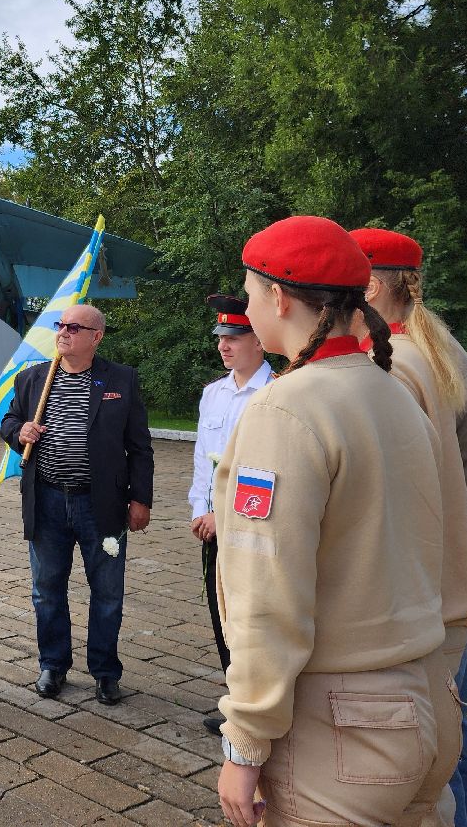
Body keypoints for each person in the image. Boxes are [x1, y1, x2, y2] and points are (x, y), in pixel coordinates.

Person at [212, 216, 459, 827]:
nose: (245, 306)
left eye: (248, 292)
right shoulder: (392, 392)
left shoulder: (286, 408)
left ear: (279, 296)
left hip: (342, 725)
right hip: (427, 697)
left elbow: (269, 594)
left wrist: (244, 741)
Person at [351, 227, 467, 827]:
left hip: (447, 571)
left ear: (368, 284)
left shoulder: (397, 358)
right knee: (452, 716)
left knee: (443, 726)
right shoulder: (436, 344)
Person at [1, 304, 154, 706]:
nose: (63, 332)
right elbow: (9, 421)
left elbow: (139, 447)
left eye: (74, 327)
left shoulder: (121, 379)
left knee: (107, 592)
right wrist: (21, 431)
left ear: (96, 336)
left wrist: (140, 499)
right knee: (47, 589)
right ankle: (53, 663)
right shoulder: (33, 378)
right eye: (61, 325)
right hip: (47, 499)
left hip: (101, 505)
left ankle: (105, 672)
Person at [189, 294, 271, 735]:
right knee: (221, 618)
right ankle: (235, 699)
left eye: (235, 337)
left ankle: (255, 704)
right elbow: (205, 460)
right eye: (221, 337)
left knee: (251, 618)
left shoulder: (274, 392)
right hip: (211, 526)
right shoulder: (213, 394)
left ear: (259, 340)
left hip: (249, 527)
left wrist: (227, 517)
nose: (224, 345)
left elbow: (262, 472)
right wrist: (200, 510)